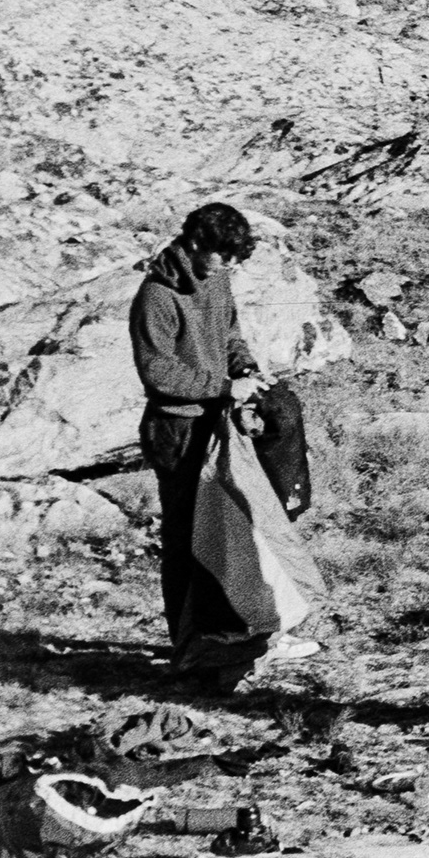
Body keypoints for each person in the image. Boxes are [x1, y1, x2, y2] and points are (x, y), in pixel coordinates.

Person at [130, 202, 311, 670]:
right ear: (195, 244)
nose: (230, 266)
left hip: (215, 423)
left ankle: (245, 633)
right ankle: (188, 647)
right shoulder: (157, 296)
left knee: (233, 532)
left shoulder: (216, 282)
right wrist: (225, 387)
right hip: (178, 430)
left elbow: (230, 338)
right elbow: (157, 372)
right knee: (186, 542)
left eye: (236, 259)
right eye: (223, 256)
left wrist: (247, 370)